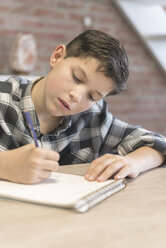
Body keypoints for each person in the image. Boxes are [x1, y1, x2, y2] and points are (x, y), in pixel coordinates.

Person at [0, 29, 165, 184]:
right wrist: (6, 165)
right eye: (77, 78)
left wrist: (133, 162)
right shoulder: (3, 98)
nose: (76, 96)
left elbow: (157, 144)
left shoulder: (93, 117)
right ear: (57, 56)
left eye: (92, 96)